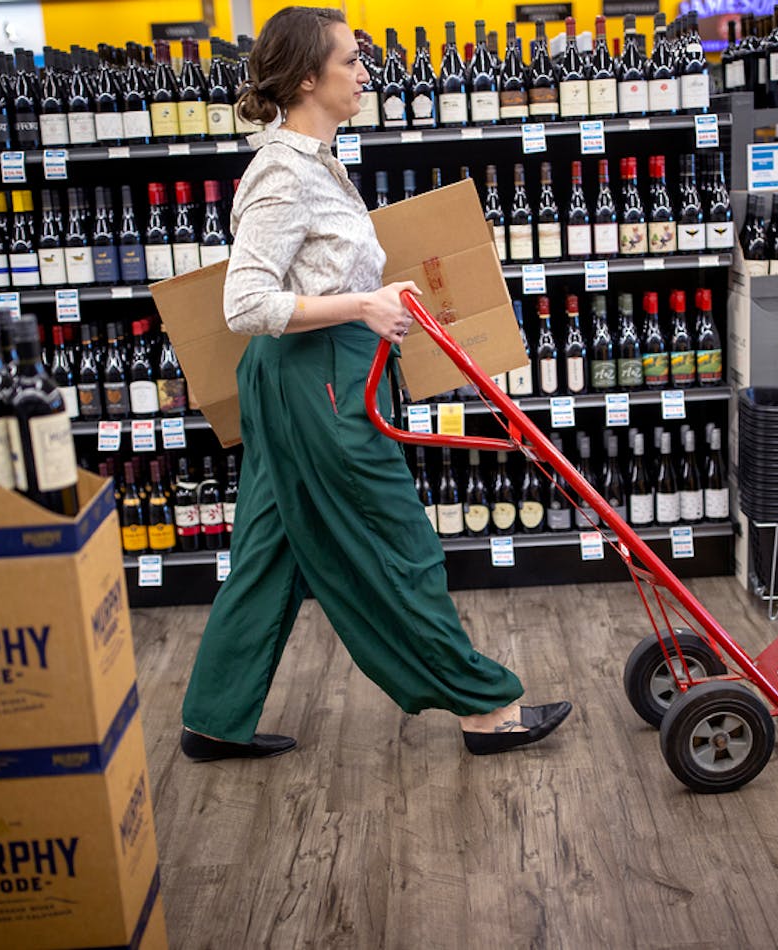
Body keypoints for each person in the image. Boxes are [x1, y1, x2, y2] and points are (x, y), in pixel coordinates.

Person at [179, 6, 572, 761]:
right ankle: (485, 708)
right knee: (402, 542)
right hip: (314, 381)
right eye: (351, 62)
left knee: (270, 549)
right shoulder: (284, 174)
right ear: (305, 79)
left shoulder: (320, 158)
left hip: (316, 377)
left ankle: (212, 717)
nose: (366, 73)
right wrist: (365, 304)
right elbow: (245, 304)